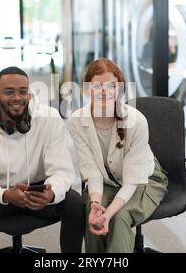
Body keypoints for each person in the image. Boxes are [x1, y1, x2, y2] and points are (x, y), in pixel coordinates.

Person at [0, 66, 84, 253]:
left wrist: (51, 192)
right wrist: (5, 195)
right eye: (9, 92)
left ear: (30, 94)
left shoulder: (49, 119)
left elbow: (62, 171)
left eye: (23, 91)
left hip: (36, 195)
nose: (17, 97)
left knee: (74, 202)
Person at [67, 59, 168, 253]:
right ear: (88, 89)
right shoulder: (76, 122)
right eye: (97, 86)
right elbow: (92, 171)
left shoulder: (136, 121)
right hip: (105, 181)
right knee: (92, 214)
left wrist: (108, 214)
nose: (104, 92)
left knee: (119, 217)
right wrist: (96, 204)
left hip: (143, 180)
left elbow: (131, 180)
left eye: (111, 86)